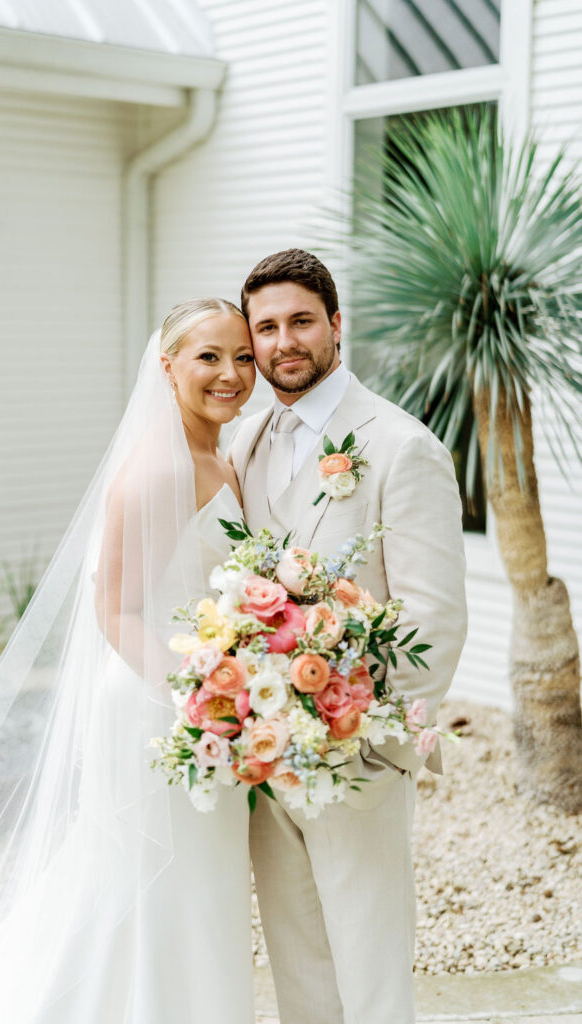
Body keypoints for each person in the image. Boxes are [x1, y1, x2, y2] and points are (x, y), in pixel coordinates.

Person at [0, 298, 257, 1024]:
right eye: (209, 357)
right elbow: (115, 608)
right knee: (153, 881)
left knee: (198, 883)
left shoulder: (218, 454)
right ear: (167, 367)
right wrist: (207, 702)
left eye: (242, 357)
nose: (230, 374)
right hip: (162, 706)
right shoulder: (160, 469)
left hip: (208, 704)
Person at [228, 248, 468, 1024]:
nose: (282, 341)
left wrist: (369, 745)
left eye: (300, 320)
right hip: (265, 758)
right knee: (297, 961)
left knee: (369, 969)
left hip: (357, 758)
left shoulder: (402, 447)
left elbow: (433, 617)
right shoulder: (246, 440)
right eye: (265, 327)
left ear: (336, 325)